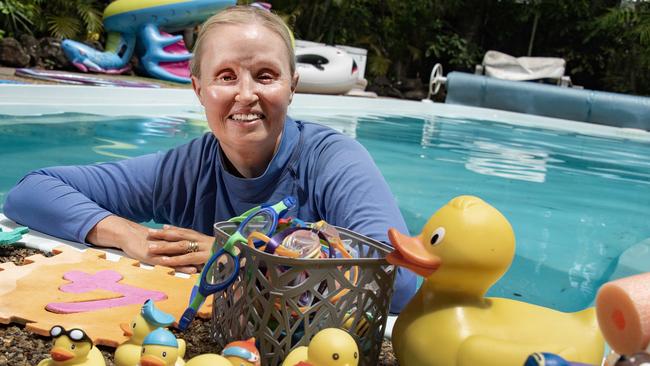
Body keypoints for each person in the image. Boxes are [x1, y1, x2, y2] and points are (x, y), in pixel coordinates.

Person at [3, 5, 416, 313]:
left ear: (292, 86)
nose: (246, 94)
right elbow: (30, 192)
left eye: (266, 75)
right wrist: (130, 235)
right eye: (226, 76)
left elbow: (398, 280)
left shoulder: (331, 161)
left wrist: (242, 256)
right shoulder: (186, 169)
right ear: (199, 90)